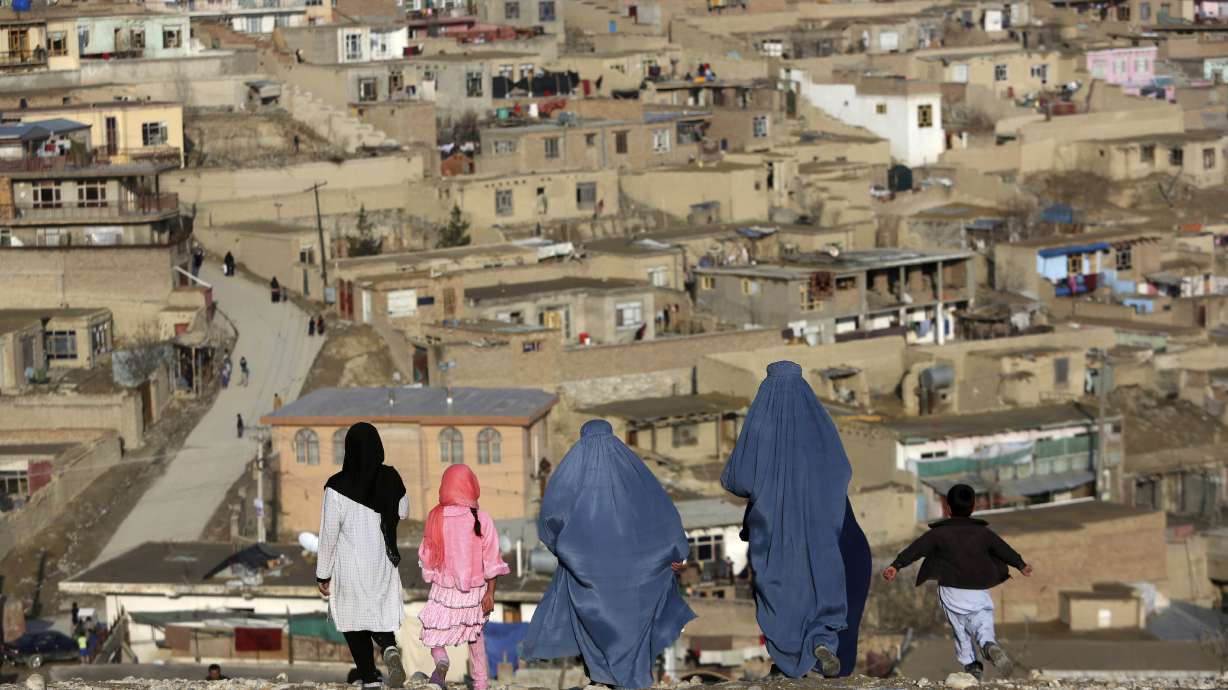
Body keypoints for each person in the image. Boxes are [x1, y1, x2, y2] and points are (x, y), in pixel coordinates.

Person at [720, 360, 869, 679]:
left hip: (773, 528)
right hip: (826, 528)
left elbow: (737, 478)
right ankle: (821, 642)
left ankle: (793, 655)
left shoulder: (761, 418)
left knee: (780, 591)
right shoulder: (818, 420)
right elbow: (841, 470)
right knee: (821, 581)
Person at [522, 419, 694, 690]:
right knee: (632, 624)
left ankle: (603, 675)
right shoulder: (632, 469)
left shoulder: (571, 470)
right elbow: (660, 512)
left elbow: (550, 518)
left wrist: (566, 551)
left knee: (594, 622)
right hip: (634, 574)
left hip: (586, 571)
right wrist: (675, 551)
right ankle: (632, 677)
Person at [883, 484, 1033, 681]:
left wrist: (896, 565)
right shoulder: (983, 533)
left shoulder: (938, 534)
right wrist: (1021, 564)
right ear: (973, 508)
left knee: (960, 629)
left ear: (948, 509)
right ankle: (989, 644)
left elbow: (916, 549)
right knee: (982, 620)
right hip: (978, 590)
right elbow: (1003, 549)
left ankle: (971, 664)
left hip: (950, 590)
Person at [316, 423, 408, 690]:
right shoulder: (390, 477)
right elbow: (404, 510)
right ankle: (389, 648)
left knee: (353, 622)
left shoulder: (336, 486)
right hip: (381, 562)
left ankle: (369, 679)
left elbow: (328, 534)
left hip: (350, 567)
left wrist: (323, 573)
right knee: (378, 614)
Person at [417, 464, 510, 690]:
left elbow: (427, 553)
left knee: (433, 633)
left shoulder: (436, 517)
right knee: (475, 638)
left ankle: (441, 661)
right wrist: (490, 593)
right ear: (472, 486)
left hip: (444, 590)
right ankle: (481, 683)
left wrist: (430, 573)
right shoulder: (482, 518)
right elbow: (492, 560)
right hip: (474, 591)